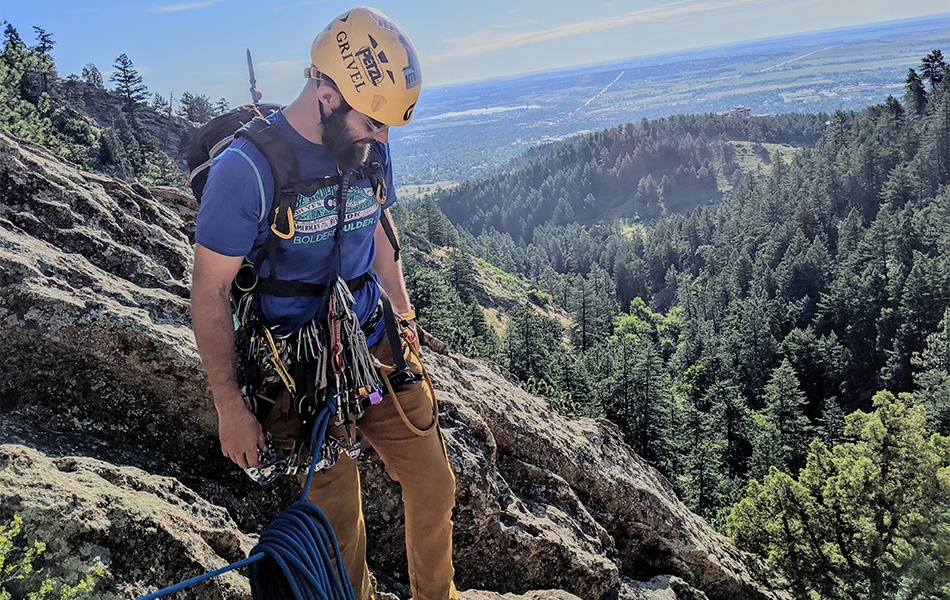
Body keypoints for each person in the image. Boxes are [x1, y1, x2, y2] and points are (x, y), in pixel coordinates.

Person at [190, 7, 458, 599]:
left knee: (434, 484)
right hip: (296, 369)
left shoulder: (366, 147)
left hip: (372, 342)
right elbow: (207, 290)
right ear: (328, 94)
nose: (383, 137)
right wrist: (229, 407)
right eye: (374, 121)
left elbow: (379, 231)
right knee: (339, 525)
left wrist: (404, 315)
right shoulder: (248, 171)